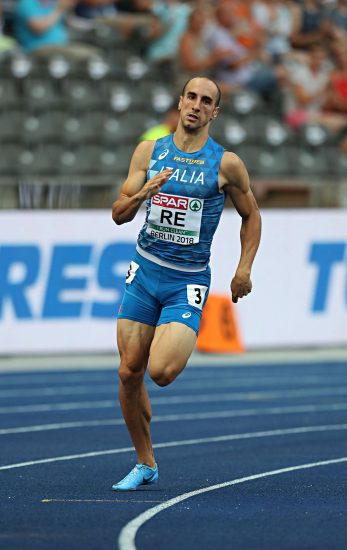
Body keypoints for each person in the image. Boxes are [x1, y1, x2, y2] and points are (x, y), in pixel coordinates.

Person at [111, 76, 261, 491]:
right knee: (128, 372)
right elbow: (118, 213)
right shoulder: (149, 151)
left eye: (206, 100)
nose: (196, 105)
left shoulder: (225, 163)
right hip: (144, 271)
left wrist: (243, 268)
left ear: (215, 112)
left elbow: (252, 215)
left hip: (187, 280)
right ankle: (145, 463)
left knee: (159, 371)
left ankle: (147, 455)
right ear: (180, 103)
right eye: (191, 97)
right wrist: (144, 194)